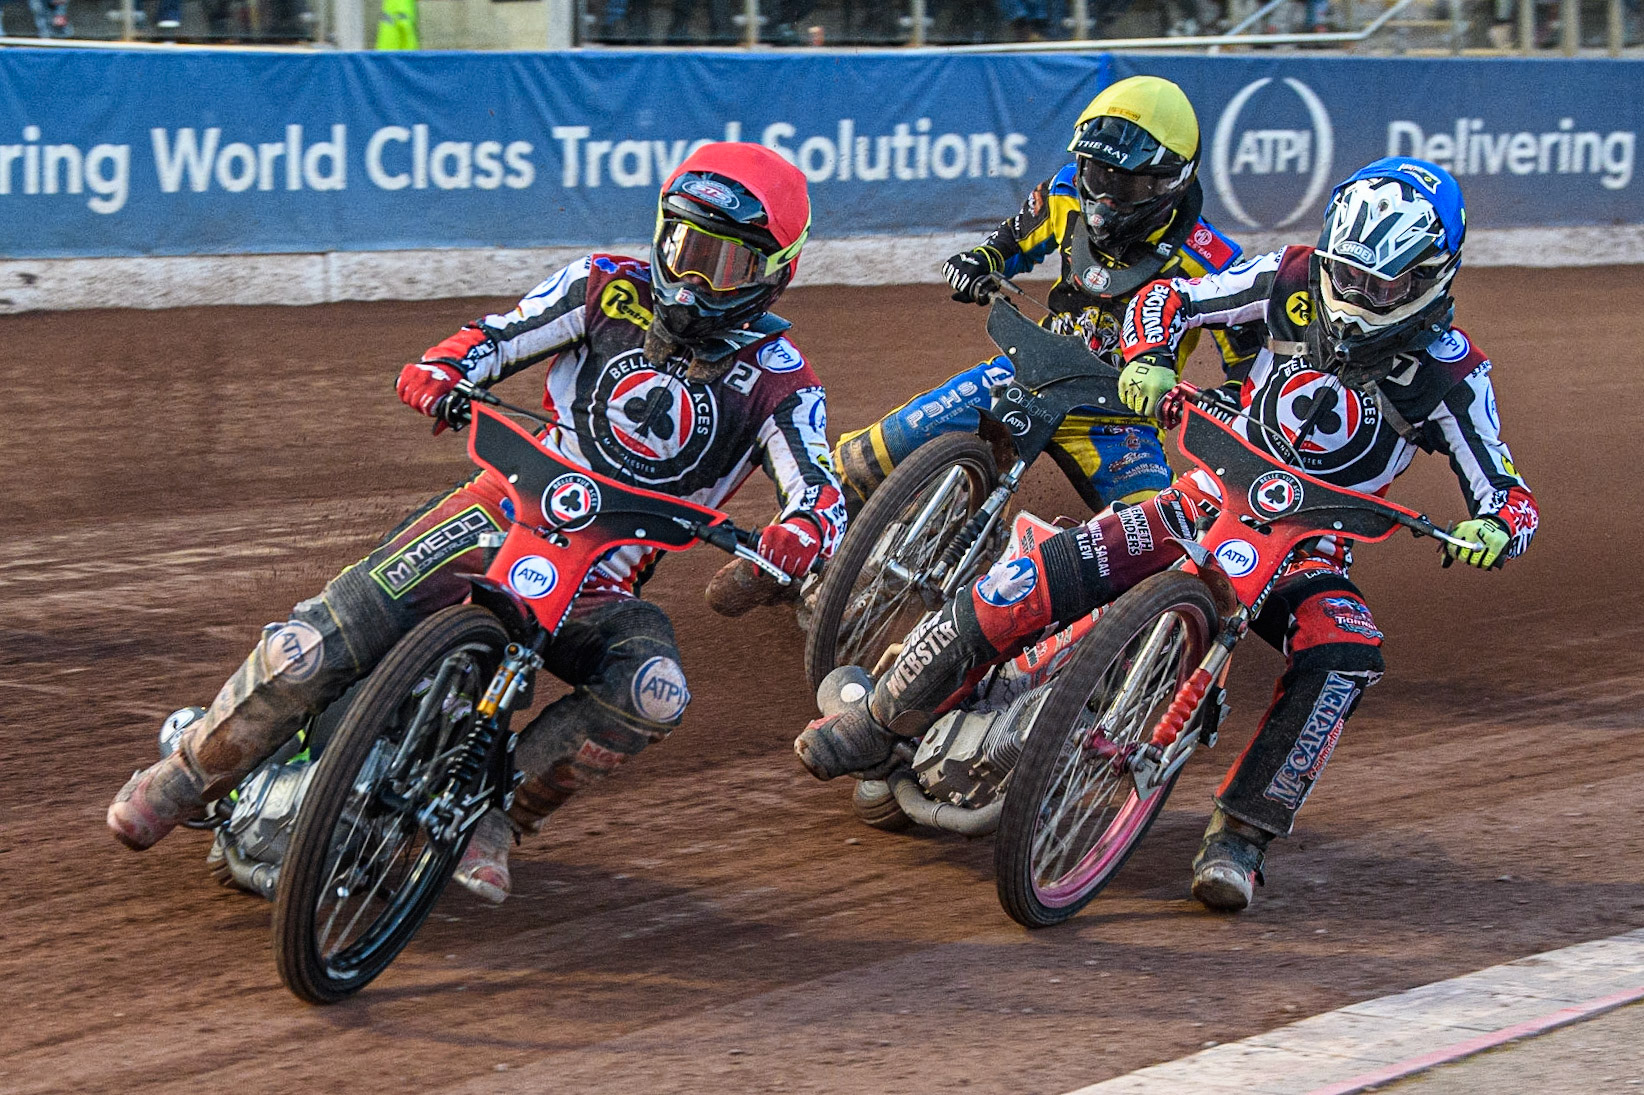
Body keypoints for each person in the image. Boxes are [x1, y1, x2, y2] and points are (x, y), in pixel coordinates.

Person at [108, 142, 847, 905]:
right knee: (318, 640)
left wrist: (798, 534)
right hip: (496, 512)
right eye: (684, 247)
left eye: (722, 264)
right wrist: (444, 368)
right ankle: (186, 773)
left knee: (654, 692)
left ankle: (498, 815)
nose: (693, 278)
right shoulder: (603, 286)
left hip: (599, 586)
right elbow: (497, 334)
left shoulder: (782, 378)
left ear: (775, 273)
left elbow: (823, 492)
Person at [795, 157, 1538, 913]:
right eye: (1346, 275)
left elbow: (1510, 494)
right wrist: (1150, 357)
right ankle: (879, 714)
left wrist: (1494, 528)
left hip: (1310, 547)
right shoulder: (1289, 278)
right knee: (1043, 572)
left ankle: (1243, 833)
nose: (1353, 298)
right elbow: (1169, 298)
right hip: (1208, 492)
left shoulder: (1455, 377)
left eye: (1379, 287)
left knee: (1345, 651)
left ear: (1428, 282)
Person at [832, 75, 1259, 524]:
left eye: (1126, 186)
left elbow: (1248, 363)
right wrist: (979, 261)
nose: (1105, 200)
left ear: (1168, 182)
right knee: (875, 450)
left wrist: (1223, 403)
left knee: (1159, 539)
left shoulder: (1215, 260)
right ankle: (805, 537)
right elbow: (1011, 242)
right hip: (1029, 374)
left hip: (1120, 422)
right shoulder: (1064, 192)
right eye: (1096, 173)